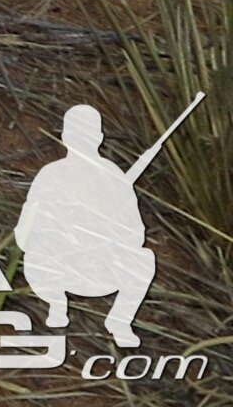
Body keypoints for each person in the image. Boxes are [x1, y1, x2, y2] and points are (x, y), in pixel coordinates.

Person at [15, 105, 159, 348]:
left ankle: (117, 320)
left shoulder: (111, 177)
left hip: (93, 271)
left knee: (144, 258)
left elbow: (136, 234)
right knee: (35, 255)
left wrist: (104, 235)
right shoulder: (52, 175)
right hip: (60, 269)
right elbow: (25, 233)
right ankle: (58, 304)